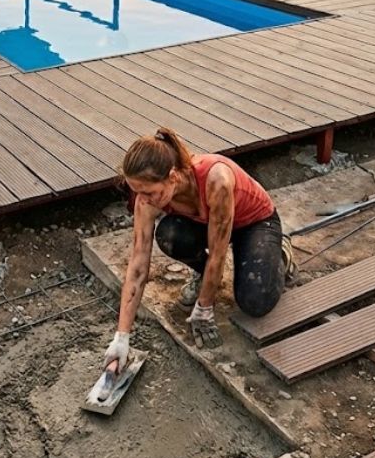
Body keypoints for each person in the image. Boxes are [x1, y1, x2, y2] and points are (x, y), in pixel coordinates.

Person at [105, 127, 294, 368]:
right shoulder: (146, 198)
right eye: (137, 191)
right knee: (170, 235)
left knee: (255, 302)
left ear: (172, 177)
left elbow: (218, 253)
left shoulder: (217, 180)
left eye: (150, 192)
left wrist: (205, 307)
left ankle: (280, 253)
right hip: (208, 224)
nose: (144, 199)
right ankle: (204, 275)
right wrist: (122, 337)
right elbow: (138, 265)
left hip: (254, 223)